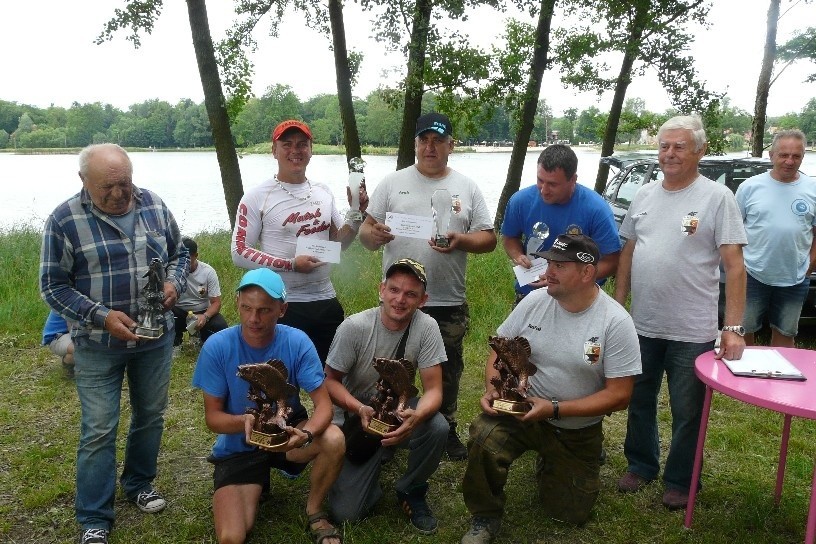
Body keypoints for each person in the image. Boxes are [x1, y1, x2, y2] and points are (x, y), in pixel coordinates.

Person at [39, 143, 189, 544]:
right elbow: (52, 287)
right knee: (99, 429)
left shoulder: (154, 205)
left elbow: (180, 253)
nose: (120, 193)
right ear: (83, 181)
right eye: (108, 187)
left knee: (151, 416)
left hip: (154, 339)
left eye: (125, 182)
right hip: (96, 343)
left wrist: (176, 282)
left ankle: (139, 484)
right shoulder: (64, 219)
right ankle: (94, 517)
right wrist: (101, 315)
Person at [460, 234, 641, 543]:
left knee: (568, 513)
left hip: (576, 428)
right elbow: (498, 349)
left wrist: (555, 408)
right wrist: (494, 389)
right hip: (521, 411)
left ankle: (552, 462)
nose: (548, 272)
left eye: (559, 265)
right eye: (549, 263)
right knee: (483, 435)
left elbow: (620, 395)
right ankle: (485, 515)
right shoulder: (534, 301)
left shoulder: (615, 322)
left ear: (586, 273)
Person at [614, 115, 747, 510]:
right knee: (638, 398)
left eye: (679, 147)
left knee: (688, 410)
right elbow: (627, 252)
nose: (669, 154)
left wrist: (734, 327)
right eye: (664, 146)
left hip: (693, 329)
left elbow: (735, 265)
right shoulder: (644, 195)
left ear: (700, 151)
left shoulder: (717, 198)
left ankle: (682, 480)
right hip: (643, 324)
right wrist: (618, 310)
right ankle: (641, 463)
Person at [359, 112, 497, 460]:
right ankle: (388, 421)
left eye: (438, 140)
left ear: (451, 145)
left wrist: (460, 240)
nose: (430, 146)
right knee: (392, 367)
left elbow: (489, 238)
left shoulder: (466, 187)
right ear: (415, 144)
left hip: (447, 297)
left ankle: (445, 427)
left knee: (447, 367)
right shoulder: (392, 183)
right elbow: (366, 233)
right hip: (399, 299)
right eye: (424, 140)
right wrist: (371, 235)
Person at [191, 268, 345, 544]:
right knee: (232, 537)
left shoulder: (297, 341)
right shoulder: (216, 346)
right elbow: (213, 418)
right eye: (247, 307)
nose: (254, 318)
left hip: (287, 433)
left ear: (282, 309)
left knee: (333, 438)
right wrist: (244, 422)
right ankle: (256, 481)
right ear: (236, 303)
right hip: (240, 444)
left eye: (264, 310)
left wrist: (305, 435)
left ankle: (315, 511)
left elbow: (324, 407)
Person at [324, 258, 448, 534]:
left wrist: (416, 416)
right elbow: (329, 382)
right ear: (382, 290)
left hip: (396, 408)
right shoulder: (354, 327)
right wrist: (358, 408)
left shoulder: (427, 327)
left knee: (437, 426)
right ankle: (373, 458)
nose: (400, 299)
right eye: (394, 290)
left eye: (410, 294)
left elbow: (434, 390)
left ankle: (411, 489)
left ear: (423, 300)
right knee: (346, 513)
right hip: (356, 416)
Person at [231, 119, 366, 364]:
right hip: (281, 303)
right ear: (274, 150)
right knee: (281, 381)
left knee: (333, 374)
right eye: (287, 144)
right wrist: (291, 264)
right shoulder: (257, 196)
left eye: (302, 144)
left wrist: (357, 212)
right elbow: (239, 252)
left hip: (324, 298)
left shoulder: (322, 191)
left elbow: (338, 245)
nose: (296, 150)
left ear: (311, 150)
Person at [501, 144, 621, 303]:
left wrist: (571, 279)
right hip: (530, 292)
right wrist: (518, 255)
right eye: (540, 180)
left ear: (573, 179)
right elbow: (509, 238)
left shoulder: (596, 209)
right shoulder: (520, 201)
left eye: (552, 184)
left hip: (578, 297)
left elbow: (612, 261)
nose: (544, 190)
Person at [735, 129, 815, 348]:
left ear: (802, 156)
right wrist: (739, 265)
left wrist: (810, 264)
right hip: (752, 274)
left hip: (795, 277)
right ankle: (746, 380)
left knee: (786, 333)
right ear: (772, 155)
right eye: (783, 155)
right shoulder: (749, 187)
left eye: (796, 156)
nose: (789, 161)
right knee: (744, 331)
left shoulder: (812, 188)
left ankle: (780, 380)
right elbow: (733, 231)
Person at [172, 236, 228, 350]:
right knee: (166, 316)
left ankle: (202, 338)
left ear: (196, 256)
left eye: (188, 259)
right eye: (181, 259)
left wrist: (204, 316)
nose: (184, 264)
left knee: (220, 326)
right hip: (179, 311)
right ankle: (175, 343)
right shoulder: (171, 271)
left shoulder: (208, 272)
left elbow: (216, 303)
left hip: (201, 311)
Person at [42, 309, 75, 376]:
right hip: (57, 336)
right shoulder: (72, 301)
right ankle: (69, 361)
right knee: (84, 348)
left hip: (73, 333)